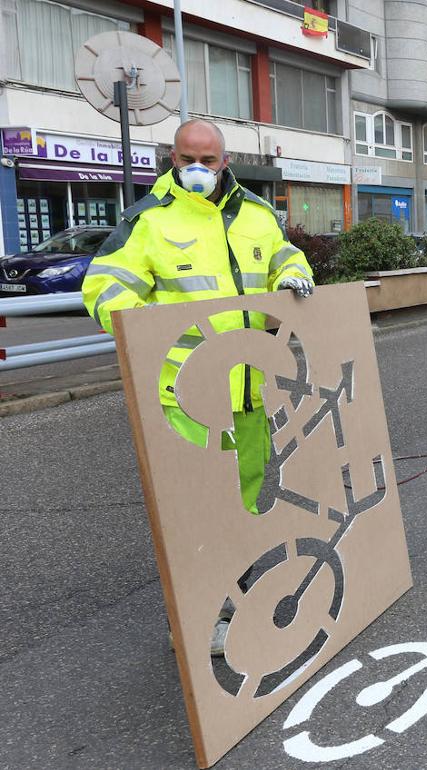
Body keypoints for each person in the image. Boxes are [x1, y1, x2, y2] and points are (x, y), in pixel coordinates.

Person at [82, 118, 314, 654]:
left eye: (208, 161)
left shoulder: (256, 215)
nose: (197, 170)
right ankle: (197, 617)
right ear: (171, 156)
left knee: (249, 503)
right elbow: (103, 287)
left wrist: (293, 277)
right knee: (196, 512)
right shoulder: (150, 221)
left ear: (225, 162)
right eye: (188, 159)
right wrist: (150, 335)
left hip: (254, 392)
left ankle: (242, 596)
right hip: (188, 397)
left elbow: (284, 257)